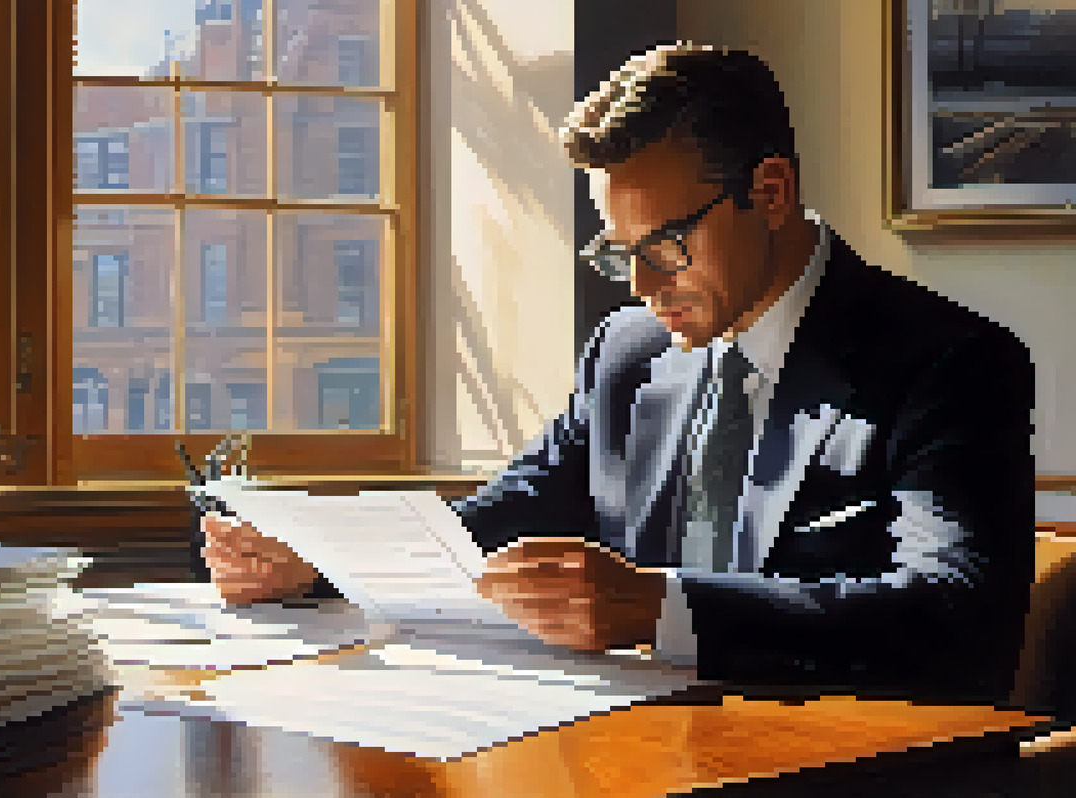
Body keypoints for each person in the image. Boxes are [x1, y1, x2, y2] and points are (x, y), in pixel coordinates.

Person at [200, 43, 1035, 703]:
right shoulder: (626, 353)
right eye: (617, 252)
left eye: (664, 246)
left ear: (771, 192)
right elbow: (501, 521)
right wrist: (314, 566)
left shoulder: (950, 362)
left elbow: (959, 622)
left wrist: (661, 607)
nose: (639, 287)